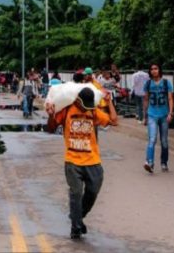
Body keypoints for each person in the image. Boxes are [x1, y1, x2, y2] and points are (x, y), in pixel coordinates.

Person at [46, 87, 118, 240]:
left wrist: (109, 102)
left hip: (93, 160)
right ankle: (76, 227)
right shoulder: (66, 111)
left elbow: (113, 121)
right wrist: (51, 115)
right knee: (76, 193)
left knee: (92, 192)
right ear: (77, 100)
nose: (87, 108)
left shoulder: (93, 111)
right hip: (73, 160)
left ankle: (77, 217)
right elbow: (51, 128)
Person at [143, 63, 174, 174]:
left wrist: (170, 113)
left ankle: (164, 162)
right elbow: (146, 99)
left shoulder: (166, 83)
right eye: (152, 69)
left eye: (156, 68)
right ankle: (149, 162)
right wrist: (145, 116)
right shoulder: (147, 84)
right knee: (152, 139)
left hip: (164, 115)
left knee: (164, 141)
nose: (154, 71)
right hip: (152, 114)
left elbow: (170, 98)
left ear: (159, 70)